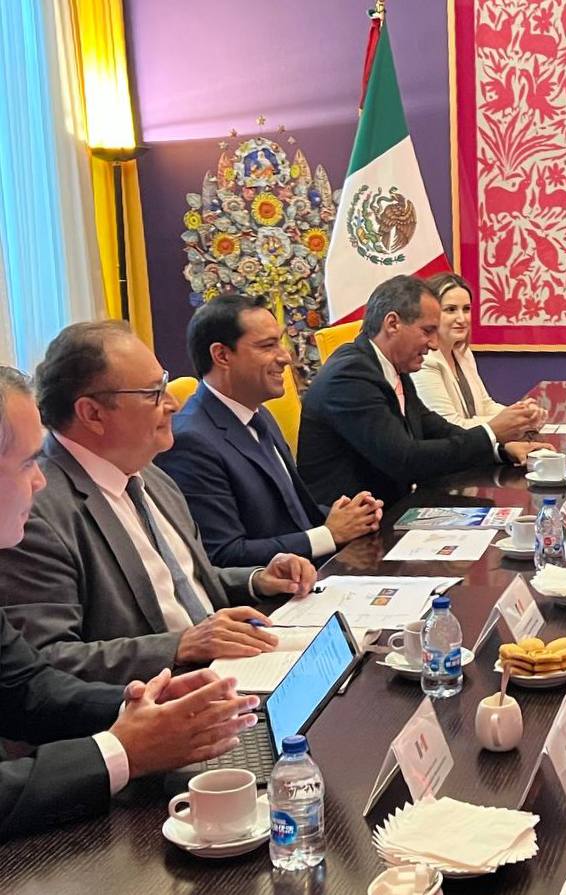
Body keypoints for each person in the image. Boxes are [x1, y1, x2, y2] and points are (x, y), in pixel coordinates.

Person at [0, 365, 260, 841]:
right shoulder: (51, 514)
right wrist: (120, 752)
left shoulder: (153, 477)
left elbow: (28, 688)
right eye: (27, 463)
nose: (39, 482)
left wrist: (150, 703)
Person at [0, 322, 316, 684]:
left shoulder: (150, 474)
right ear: (92, 414)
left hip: (230, 670)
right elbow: (44, 661)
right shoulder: (30, 508)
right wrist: (178, 646)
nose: (173, 404)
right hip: (152, 697)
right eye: (154, 392)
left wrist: (258, 580)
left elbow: (183, 582)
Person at [157, 294, 383, 567]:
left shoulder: (258, 412)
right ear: (222, 355)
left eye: (281, 342)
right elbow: (222, 556)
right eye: (268, 346)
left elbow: (294, 515)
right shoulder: (190, 441)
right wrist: (328, 535)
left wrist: (353, 517)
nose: (285, 357)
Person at [298, 274, 551, 505]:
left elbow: (435, 429)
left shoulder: (393, 366)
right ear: (393, 324)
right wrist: (490, 432)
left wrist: (500, 450)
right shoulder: (350, 377)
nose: (434, 344)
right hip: (355, 525)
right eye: (427, 331)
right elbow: (404, 460)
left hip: (393, 505)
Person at [410, 273, 545, 429]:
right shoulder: (425, 361)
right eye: (451, 310)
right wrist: (513, 421)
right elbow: (450, 425)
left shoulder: (463, 352)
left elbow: (485, 405)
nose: (462, 318)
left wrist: (522, 414)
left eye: (466, 309)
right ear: (430, 314)